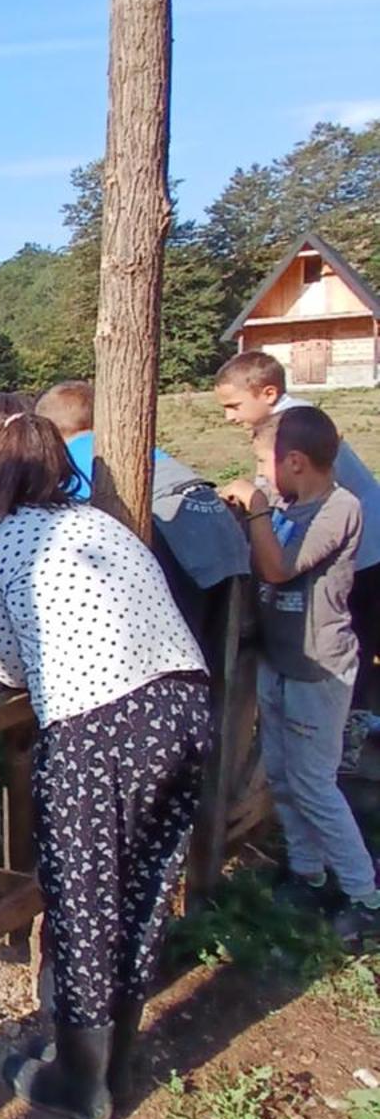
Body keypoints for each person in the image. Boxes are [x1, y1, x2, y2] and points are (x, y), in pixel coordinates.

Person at [0, 411, 211, 1119]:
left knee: (84, 897)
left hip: (99, 725)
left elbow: (8, 667)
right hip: (186, 703)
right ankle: (114, 1057)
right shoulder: (100, 524)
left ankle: (80, 1080)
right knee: (144, 883)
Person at [220, 406, 380, 947]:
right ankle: (307, 874)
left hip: (318, 669)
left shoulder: (339, 509)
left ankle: (364, 894)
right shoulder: (289, 506)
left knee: (316, 785)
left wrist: (259, 511)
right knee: (285, 779)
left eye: (264, 465)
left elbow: (279, 569)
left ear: (295, 461)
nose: (260, 476)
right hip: (279, 661)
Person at [214, 350, 380, 710]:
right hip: (347, 540)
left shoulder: (292, 428)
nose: (229, 417)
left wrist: (245, 500)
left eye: (235, 406)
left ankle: (353, 724)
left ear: (268, 394)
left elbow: (269, 491)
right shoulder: (285, 425)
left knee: (353, 635)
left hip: (365, 550)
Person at [35, 379, 249, 635]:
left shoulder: (74, 458)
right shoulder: (133, 448)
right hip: (218, 528)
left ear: (51, 433)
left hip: (172, 538)